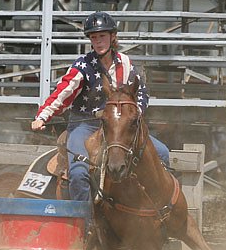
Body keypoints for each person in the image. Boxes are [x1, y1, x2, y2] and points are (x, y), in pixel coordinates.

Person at [31, 11, 170, 199]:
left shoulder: (126, 64)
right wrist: (42, 117)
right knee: (79, 173)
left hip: (118, 127)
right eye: (94, 37)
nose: (98, 41)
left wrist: (133, 114)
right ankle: (85, 223)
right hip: (84, 126)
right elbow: (62, 93)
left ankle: (161, 210)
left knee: (162, 154)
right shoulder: (82, 66)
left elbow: (141, 91)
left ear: (113, 37)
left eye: (102, 36)